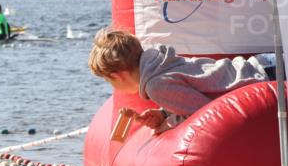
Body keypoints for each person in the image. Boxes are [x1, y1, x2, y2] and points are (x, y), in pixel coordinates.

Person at [88, 28, 276, 134]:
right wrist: (164, 113)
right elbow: (198, 91)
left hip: (266, 77)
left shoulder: (156, 85)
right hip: (264, 64)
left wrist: (166, 124)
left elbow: (206, 114)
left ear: (116, 76)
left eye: (109, 81)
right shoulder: (160, 62)